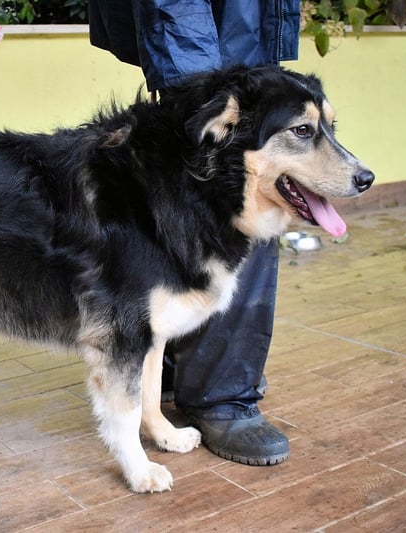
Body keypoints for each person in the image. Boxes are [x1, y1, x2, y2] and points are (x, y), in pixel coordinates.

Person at [88, 0, 301, 466]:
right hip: (204, 48)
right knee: (233, 207)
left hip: (233, 41)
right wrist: (204, 88)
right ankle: (220, 393)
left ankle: (163, 371)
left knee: (193, 223)